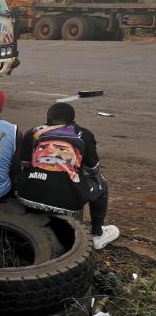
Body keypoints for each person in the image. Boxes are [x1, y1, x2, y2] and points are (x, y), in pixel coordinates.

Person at [17, 103, 119, 249]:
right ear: (72, 120)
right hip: (68, 200)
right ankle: (97, 234)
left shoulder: (32, 132)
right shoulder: (84, 134)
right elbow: (93, 169)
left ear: (48, 118)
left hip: (27, 195)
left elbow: (25, 164)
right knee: (101, 182)